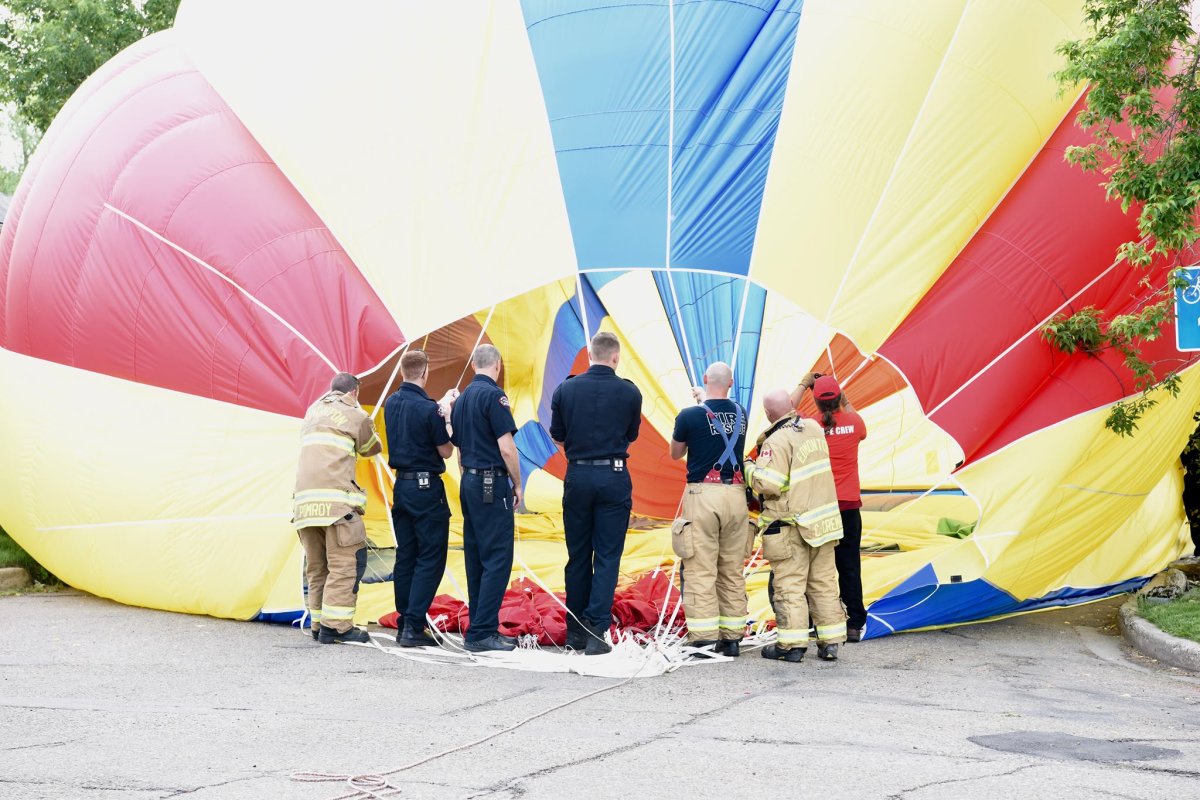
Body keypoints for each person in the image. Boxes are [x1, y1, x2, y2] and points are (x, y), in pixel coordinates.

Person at [549, 332, 643, 655]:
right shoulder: (630, 393)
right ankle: (596, 631)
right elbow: (631, 435)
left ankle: (574, 630)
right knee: (606, 556)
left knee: (577, 556)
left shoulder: (565, 389)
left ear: (590, 355)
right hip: (613, 475)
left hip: (577, 474)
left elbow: (557, 435)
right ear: (615, 357)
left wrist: (580, 456)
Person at [745, 389, 847, 662]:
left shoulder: (776, 441)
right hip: (823, 524)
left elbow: (770, 484)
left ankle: (791, 646)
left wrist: (748, 469)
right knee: (824, 584)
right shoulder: (813, 428)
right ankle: (830, 643)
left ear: (768, 414)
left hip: (791, 526)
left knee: (789, 586)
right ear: (791, 405)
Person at [292, 372, 383, 644]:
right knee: (346, 564)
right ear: (354, 392)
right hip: (336, 507)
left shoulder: (312, 413)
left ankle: (319, 625)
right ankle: (338, 627)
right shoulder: (354, 414)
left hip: (304, 507)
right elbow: (371, 448)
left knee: (318, 568)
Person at [669, 362, 750, 657]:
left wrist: (699, 404)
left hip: (703, 493)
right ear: (731, 382)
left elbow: (676, 453)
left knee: (701, 567)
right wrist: (704, 399)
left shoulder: (689, 416)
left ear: (705, 379)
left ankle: (703, 637)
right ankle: (731, 638)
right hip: (736, 495)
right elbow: (719, 421)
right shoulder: (742, 413)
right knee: (731, 568)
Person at [384, 349, 459, 648]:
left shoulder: (391, 403)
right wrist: (447, 416)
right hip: (426, 489)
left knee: (406, 555)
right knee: (430, 556)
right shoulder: (429, 409)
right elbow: (446, 450)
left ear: (403, 371)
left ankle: (405, 620)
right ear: (425, 372)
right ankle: (414, 624)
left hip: (401, 486)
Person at [450, 345, 522, 653]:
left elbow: (459, 449)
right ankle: (483, 630)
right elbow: (506, 448)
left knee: (476, 556)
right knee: (497, 558)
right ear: (498, 365)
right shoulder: (495, 397)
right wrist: (518, 484)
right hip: (491, 482)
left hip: (469, 480)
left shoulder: (462, 398)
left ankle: (478, 626)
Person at [790, 372, 868, 641]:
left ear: (816, 402)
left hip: (820, 507)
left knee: (815, 568)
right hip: (848, 507)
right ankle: (854, 623)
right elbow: (857, 424)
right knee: (849, 566)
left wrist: (804, 383)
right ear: (839, 398)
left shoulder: (810, 426)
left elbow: (786, 410)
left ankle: (813, 622)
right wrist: (844, 401)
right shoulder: (855, 422)